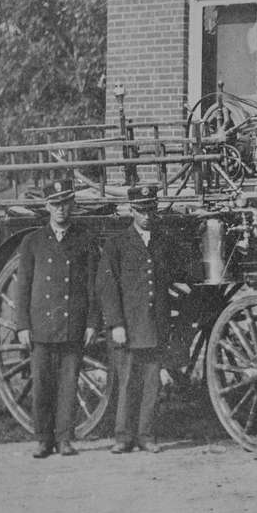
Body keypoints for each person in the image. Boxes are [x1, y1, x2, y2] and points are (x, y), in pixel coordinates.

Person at [14, 177, 99, 458]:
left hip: (72, 324)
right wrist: (22, 325)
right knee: (42, 384)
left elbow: (92, 287)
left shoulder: (84, 241)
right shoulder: (32, 242)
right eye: (55, 204)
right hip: (41, 326)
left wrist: (91, 323)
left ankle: (64, 438)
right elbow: (23, 287)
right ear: (47, 207)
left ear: (72, 204)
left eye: (65, 203)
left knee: (68, 384)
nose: (61, 209)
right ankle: (43, 439)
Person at [97, 185, 176, 454]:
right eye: (141, 211)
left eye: (151, 209)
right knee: (128, 382)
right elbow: (107, 288)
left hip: (154, 325)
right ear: (131, 211)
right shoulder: (117, 244)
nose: (147, 216)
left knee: (151, 384)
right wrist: (116, 323)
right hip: (128, 327)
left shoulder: (162, 243)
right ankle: (123, 437)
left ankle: (146, 435)